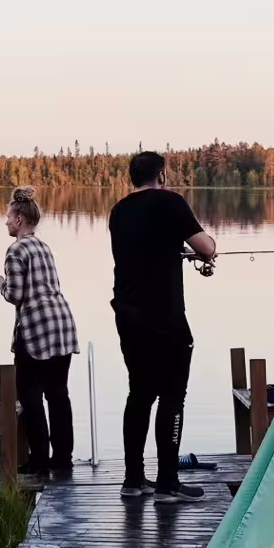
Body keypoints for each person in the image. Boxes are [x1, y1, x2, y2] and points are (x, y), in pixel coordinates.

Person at [109, 151, 217, 502]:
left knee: (139, 394)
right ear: (162, 175)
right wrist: (198, 251)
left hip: (127, 316)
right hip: (165, 318)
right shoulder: (171, 203)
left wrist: (174, 251)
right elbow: (206, 247)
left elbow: (144, 251)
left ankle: (133, 480)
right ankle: (168, 481)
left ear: (132, 178)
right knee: (172, 395)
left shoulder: (118, 211)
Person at [0, 185, 78, 480]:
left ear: (19, 220)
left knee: (29, 396)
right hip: (61, 323)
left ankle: (38, 462)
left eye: (8, 217)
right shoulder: (42, 246)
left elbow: (15, 295)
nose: (5, 222)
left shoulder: (15, 250)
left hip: (36, 328)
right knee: (58, 394)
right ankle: (63, 459)